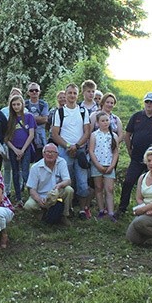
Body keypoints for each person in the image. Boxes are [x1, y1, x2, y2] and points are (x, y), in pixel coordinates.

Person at [50, 83, 92, 219]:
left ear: (77, 95)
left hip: (79, 152)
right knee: (67, 181)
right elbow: (55, 133)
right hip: (64, 151)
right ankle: (68, 208)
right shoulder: (60, 112)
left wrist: (77, 146)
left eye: (74, 93)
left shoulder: (83, 111)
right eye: (70, 93)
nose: (72, 95)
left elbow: (87, 131)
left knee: (82, 182)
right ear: (65, 94)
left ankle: (82, 209)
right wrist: (68, 146)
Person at [118, 92, 152, 214]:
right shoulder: (136, 116)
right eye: (147, 101)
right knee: (128, 182)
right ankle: (122, 208)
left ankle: (151, 209)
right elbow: (127, 134)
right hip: (136, 157)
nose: (149, 104)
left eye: (151, 102)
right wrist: (129, 150)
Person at [24, 143, 74, 224]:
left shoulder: (62, 162)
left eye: (53, 152)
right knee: (28, 206)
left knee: (69, 190)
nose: (50, 154)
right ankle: (42, 215)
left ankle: (64, 215)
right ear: (43, 154)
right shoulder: (35, 167)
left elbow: (68, 180)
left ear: (57, 155)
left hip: (57, 193)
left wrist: (59, 185)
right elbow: (32, 189)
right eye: (47, 152)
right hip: (41, 195)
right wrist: (39, 200)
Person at [5, 95, 36, 206]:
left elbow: (31, 135)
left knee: (26, 173)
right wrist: (14, 150)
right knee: (16, 173)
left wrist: (22, 150)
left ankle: (31, 196)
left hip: (25, 148)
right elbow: (6, 138)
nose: (16, 106)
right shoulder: (10, 120)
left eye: (18, 104)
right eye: (14, 105)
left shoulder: (29, 117)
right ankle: (18, 198)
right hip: (13, 149)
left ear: (22, 104)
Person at [89, 111, 120, 221]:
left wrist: (112, 166)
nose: (105, 122)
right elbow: (91, 151)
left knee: (109, 188)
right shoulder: (94, 135)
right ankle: (101, 210)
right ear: (97, 123)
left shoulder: (113, 136)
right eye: (102, 121)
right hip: (97, 165)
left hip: (109, 165)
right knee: (98, 187)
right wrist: (97, 165)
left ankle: (111, 212)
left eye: (107, 120)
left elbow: (116, 152)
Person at [25, 82, 49, 160]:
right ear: (28, 92)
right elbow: (23, 119)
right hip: (26, 134)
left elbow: (45, 119)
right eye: (31, 90)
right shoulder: (24, 104)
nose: (34, 92)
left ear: (39, 92)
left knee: (41, 157)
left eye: (36, 90)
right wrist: (38, 118)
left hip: (40, 136)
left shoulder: (43, 104)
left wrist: (30, 118)